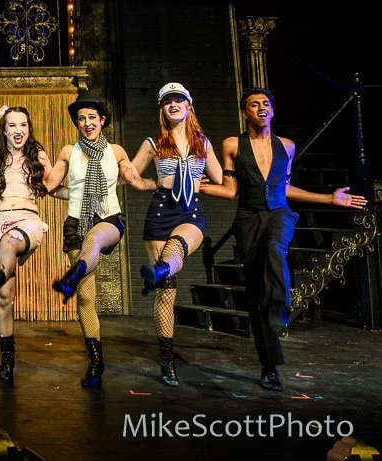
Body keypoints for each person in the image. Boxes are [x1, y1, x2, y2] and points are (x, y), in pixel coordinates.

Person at [200, 87, 367, 391]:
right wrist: (201, 187)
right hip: (248, 219)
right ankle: (269, 367)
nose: (261, 108)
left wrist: (329, 198)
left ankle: (280, 305)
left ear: (273, 111)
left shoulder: (286, 146)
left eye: (265, 103)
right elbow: (231, 190)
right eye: (254, 104)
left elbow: (285, 188)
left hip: (279, 213)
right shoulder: (232, 145)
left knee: (275, 248)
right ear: (245, 112)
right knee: (256, 293)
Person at [43, 92, 154, 389]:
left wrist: (157, 180)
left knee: (93, 238)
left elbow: (133, 179)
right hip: (75, 224)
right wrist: (46, 167)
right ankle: (96, 361)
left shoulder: (115, 150)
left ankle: (75, 272)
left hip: (108, 220)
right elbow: (51, 187)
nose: (87, 123)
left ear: (102, 120)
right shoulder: (69, 152)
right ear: (77, 124)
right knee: (86, 297)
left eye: (92, 117)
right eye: (81, 119)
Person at [127, 82, 223, 387]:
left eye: (178, 99)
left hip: (189, 212)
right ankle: (167, 361)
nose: (173, 104)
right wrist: (155, 183)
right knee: (166, 292)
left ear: (189, 105)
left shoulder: (202, 143)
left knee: (178, 246)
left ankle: (159, 270)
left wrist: (203, 185)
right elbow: (130, 176)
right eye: (167, 101)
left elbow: (221, 179)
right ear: (162, 109)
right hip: (159, 213)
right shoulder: (153, 143)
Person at [0, 105, 54, 386]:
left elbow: (54, 186)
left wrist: (83, 195)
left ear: (29, 128)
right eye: (12, 125)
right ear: (4, 130)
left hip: (26, 219)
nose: (18, 131)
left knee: (10, 241)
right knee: (4, 297)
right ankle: (7, 358)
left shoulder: (38, 156)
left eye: (23, 125)